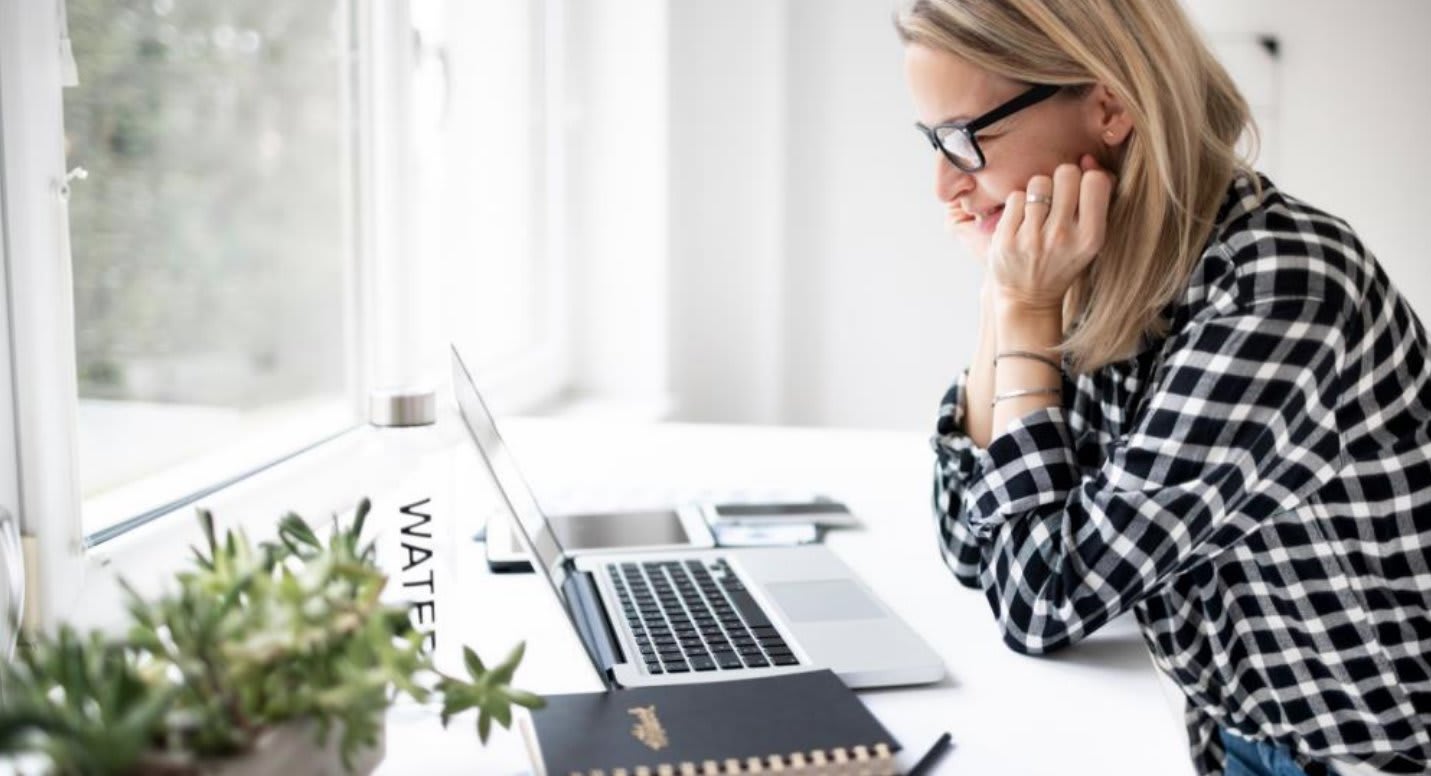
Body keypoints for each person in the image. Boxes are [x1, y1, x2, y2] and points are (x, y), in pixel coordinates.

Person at [897, 2, 1431, 775]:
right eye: (931, 141)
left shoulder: (1277, 292)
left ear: (1108, 105)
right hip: (1235, 739)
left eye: (965, 138)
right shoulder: (1101, 273)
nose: (944, 183)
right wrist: (1004, 305)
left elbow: (1041, 600)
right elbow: (974, 546)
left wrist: (1024, 311)